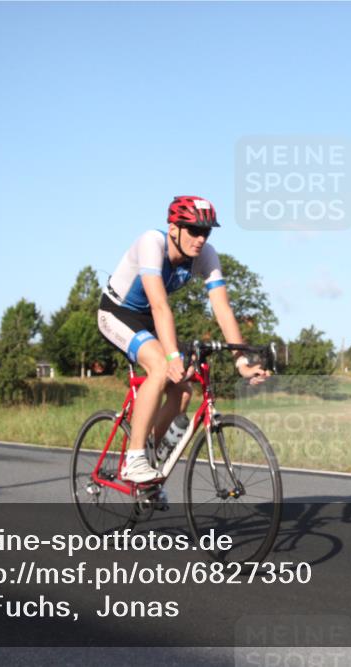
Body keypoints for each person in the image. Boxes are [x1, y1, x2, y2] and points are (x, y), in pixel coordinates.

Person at [97, 195, 270, 483]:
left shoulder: (206, 255)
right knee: (160, 366)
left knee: (183, 391)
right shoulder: (152, 243)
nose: (200, 238)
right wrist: (171, 356)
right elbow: (160, 305)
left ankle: (151, 461)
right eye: (194, 230)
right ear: (173, 227)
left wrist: (241, 361)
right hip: (117, 313)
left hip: (150, 321)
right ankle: (134, 460)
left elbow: (223, 309)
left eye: (206, 231)